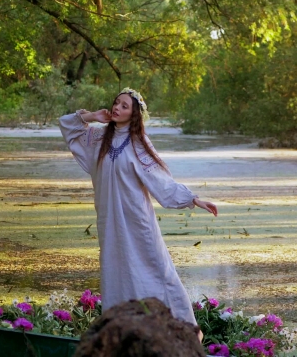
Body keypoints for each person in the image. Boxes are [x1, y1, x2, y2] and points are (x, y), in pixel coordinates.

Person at [59, 88, 218, 326]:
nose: (117, 108)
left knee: (154, 270)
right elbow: (68, 126)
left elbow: (162, 183)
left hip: (137, 222)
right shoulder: (98, 139)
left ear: (134, 114)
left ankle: (179, 328)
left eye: (124, 106)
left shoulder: (138, 145)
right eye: (116, 103)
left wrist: (193, 199)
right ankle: (123, 330)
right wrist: (92, 116)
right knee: (117, 272)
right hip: (109, 221)